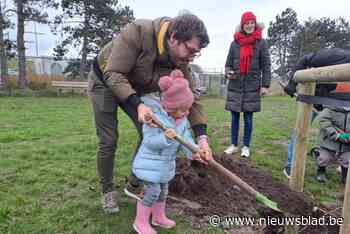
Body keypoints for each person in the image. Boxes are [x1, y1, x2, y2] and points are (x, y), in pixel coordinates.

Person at [88, 13, 212, 214]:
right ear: (173, 38)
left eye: (195, 53)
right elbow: (114, 74)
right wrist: (138, 105)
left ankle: (135, 182)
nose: (191, 57)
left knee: (150, 133)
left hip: (136, 87)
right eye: (190, 50)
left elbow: (193, 99)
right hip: (105, 80)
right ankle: (107, 190)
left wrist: (202, 139)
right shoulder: (138, 32)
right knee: (108, 140)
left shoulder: (180, 59)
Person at [132, 70, 207, 234]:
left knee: (163, 191)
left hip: (165, 166)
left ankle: (158, 218)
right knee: (152, 192)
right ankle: (140, 222)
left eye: (188, 109)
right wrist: (166, 138)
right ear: (170, 106)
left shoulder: (181, 119)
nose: (187, 113)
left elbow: (185, 138)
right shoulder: (153, 119)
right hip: (149, 164)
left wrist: (193, 152)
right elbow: (149, 142)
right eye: (183, 109)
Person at [282, 48, 350, 178]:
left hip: (342, 103)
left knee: (344, 133)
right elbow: (304, 60)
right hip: (314, 97)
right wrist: (292, 83)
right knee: (300, 132)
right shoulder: (334, 55)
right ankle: (291, 165)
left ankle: (344, 165)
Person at [224, 11, 271, 157]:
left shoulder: (261, 43)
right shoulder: (234, 43)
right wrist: (228, 72)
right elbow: (228, 64)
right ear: (242, 25)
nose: (249, 26)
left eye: (252, 23)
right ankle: (233, 144)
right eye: (247, 23)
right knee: (234, 118)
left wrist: (265, 85)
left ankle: (246, 146)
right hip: (236, 85)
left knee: (249, 118)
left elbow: (266, 66)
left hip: (252, 85)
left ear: (255, 24)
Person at [315, 106, 350, 184]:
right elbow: (324, 121)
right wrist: (335, 134)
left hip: (346, 145)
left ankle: (345, 177)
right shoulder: (330, 108)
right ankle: (321, 171)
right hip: (329, 142)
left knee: (346, 160)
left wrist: (348, 137)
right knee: (324, 158)